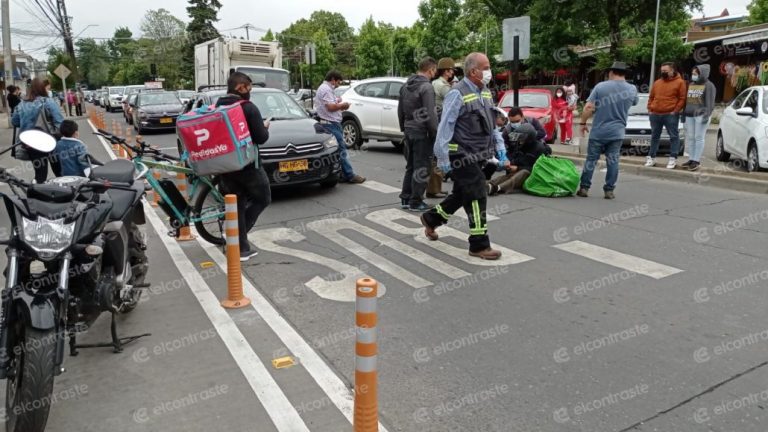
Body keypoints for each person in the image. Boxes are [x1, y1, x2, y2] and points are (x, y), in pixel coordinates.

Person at [421, 52, 507, 261]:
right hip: (461, 153)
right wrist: (443, 161)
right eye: (485, 67)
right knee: (477, 193)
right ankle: (479, 244)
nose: (489, 71)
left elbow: (492, 122)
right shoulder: (456, 93)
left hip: (480, 153)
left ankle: (431, 218)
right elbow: (444, 128)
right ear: (473, 71)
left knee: (461, 194)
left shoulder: (485, 92)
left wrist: (499, 146)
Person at [215, 72, 271, 261]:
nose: (250, 92)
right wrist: (264, 127)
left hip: (225, 165)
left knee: (236, 204)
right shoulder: (249, 108)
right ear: (240, 88)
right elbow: (261, 138)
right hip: (248, 165)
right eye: (248, 88)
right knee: (263, 198)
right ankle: (237, 239)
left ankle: (241, 247)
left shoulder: (219, 105)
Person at [577, 61, 638, 199]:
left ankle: (584, 188)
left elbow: (588, 108)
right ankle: (609, 190)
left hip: (599, 131)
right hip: (617, 132)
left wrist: (582, 123)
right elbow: (634, 102)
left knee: (591, 160)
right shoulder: (632, 89)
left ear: (611, 72)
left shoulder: (601, 87)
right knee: (613, 161)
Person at [398, 57, 439, 212]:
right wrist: (435, 133)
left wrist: (404, 127)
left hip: (409, 129)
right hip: (422, 132)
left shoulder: (405, 86)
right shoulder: (426, 87)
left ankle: (406, 198)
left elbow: (400, 110)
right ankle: (416, 201)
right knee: (422, 167)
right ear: (431, 70)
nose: (434, 74)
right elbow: (430, 113)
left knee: (411, 166)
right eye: (434, 71)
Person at [315, 70, 366, 184]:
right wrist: (343, 105)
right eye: (338, 82)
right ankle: (350, 175)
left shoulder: (325, 89)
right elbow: (330, 107)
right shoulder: (326, 89)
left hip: (330, 123)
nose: (338, 85)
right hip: (331, 124)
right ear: (333, 79)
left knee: (337, 150)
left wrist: (338, 102)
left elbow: (330, 104)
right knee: (342, 150)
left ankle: (343, 174)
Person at [12, 77, 64, 184]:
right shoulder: (48, 102)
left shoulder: (21, 104)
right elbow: (60, 123)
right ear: (42, 88)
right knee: (59, 172)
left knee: (40, 174)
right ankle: (64, 195)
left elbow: (15, 122)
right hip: (50, 142)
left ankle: (37, 197)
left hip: (31, 145)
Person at [646, 62, 686, 169]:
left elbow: (682, 98)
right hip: (655, 113)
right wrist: (650, 109)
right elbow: (651, 97)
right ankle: (651, 157)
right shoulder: (657, 82)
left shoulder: (680, 82)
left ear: (672, 71)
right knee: (654, 136)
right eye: (662, 71)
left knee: (673, 136)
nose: (663, 72)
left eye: (665, 71)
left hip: (670, 114)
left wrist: (675, 110)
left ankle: (673, 158)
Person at [488, 123, 548, 195]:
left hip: (533, 176)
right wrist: (509, 163)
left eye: (521, 137)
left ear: (529, 138)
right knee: (506, 177)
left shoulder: (540, 148)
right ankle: (487, 185)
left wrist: (518, 168)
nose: (519, 140)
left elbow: (538, 169)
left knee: (523, 172)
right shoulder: (520, 146)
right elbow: (515, 158)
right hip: (518, 172)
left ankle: (498, 188)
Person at [682, 65, 716, 171]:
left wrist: (707, 115)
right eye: (693, 73)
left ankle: (696, 160)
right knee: (691, 137)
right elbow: (687, 101)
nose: (693, 75)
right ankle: (691, 159)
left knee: (699, 137)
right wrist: (684, 114)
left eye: (695, 74)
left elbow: (710, 102)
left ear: (703, 73)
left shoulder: (709, 85)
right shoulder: (691, 84)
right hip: (689, 115)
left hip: (701, 115)